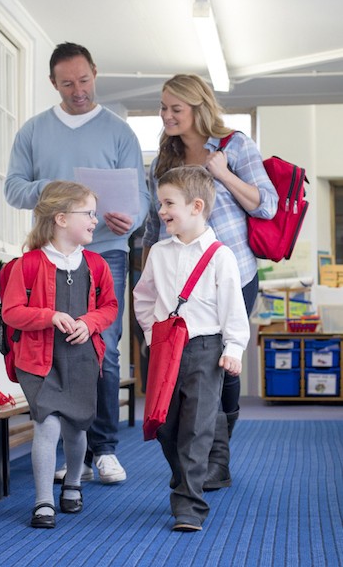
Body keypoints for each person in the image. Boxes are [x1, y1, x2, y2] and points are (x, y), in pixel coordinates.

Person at [4, 42, 149, 484]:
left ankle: (102, 450)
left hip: (106, 250)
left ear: (95, 74)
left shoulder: (120, 132)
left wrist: (132, 218)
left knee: (100, 351)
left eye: (84, 80)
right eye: (67, 83)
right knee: (57, 349)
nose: (78, 90)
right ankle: (73, 451)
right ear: (54, 83)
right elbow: (13, 189)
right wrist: (56, 191)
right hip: (49, 254)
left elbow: (140, 199)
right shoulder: (32, 131)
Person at [141, 74, 278, 490]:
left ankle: (217, 451)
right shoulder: (162, 160)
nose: (166, 115)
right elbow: (154, 221)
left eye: (175, 109)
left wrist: (223, 174)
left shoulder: (234, 145)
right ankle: (201, 456)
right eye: (163, 107)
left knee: (224, 364)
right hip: (178, 281)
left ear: (199, 108)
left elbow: (267, 206)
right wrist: (148, 268)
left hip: (231, 266)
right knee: (183, 371)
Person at [133, 166, 250, 532]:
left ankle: (189, 504)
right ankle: (186, 475)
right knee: (164, 424)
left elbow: (233, 306)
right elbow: (143, 298)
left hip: (205, 347)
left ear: (196, 206)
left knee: (197, 426)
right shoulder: (158, 253)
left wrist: (233, 347)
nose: (161, 210)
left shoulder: (220, 256)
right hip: (165, 347)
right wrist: (152, 337)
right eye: (160, 203)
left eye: (169, 203)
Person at [2, 181, 118, 528]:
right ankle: (42, 502)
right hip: (38, 362)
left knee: (77, 428)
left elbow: (110, 306)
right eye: (89, 214)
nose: (95, 221)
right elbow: (11, 312)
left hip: (81, 359)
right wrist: (49, 316)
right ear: (62, 218)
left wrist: (91, 322)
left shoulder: (97, 265)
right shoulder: (28, 265)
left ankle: (72, 483)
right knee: (47, 424)